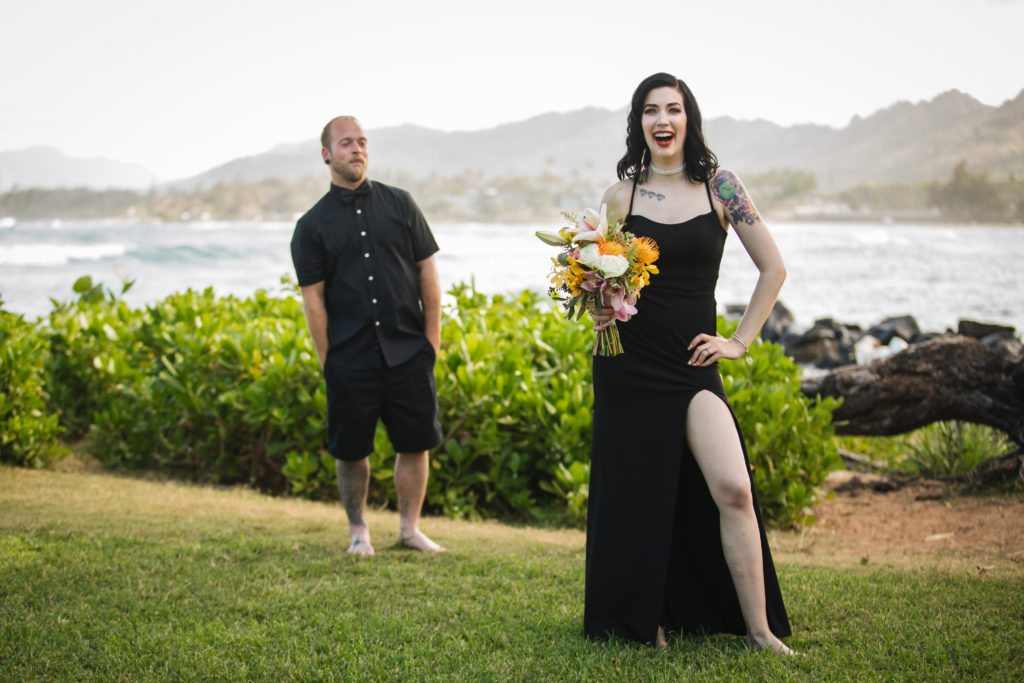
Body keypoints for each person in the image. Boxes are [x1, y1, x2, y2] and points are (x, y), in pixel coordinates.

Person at [584, 73, 795, 653]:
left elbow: (773, 269)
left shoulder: (721, 188)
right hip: (629, 366)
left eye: (673, 109)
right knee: (640, 493)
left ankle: (758, 631)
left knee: (733, 487)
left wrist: (738, 341)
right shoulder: (620, 197)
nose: (663, 120)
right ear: (639, 123)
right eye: (651, 110)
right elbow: (602, 286)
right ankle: (644, 619)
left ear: (688, 118)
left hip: (693, 365)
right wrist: (600, 308)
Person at [290, 115, 444, 555]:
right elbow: (313, 301)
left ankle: (409, 529)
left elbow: (427, 273)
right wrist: (329, 360)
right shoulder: (311, 226)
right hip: (349, 357)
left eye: (361, 142)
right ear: (326, 154)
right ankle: (359, 531)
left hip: (408, 352)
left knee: (415, 443)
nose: (356, 149)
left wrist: (431, 343)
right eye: (345, 143)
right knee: (351, 451)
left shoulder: (401, 204)